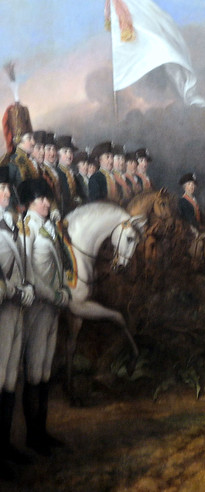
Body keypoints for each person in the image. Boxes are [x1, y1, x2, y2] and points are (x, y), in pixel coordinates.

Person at [18, 178, 69, 456]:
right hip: (37, 308)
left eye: (48, 198)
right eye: (41, 199)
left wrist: (63, 291)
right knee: (34, 372)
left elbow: (58, 267)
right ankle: (32, 437)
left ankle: (43, 432)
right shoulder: (28, 229)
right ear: (29, 202)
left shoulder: (48, 227)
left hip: (52, 308)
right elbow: (30, 274)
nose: (47, 203)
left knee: (46, 371)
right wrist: (54, 295)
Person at [0, 167, 34, 478]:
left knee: (10, 381)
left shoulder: (10, 226)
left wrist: (26, 288)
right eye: (2, 189)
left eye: (8, 189)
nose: (7, 194)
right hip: (1, 313)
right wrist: (16, 290)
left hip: (15, 313)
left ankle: (5, 447)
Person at [55, 135, 78, 216]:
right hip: (63, 213)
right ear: (57, 155)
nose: (69, 155)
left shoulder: (73, 174)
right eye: (65, 152)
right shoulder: (57, 173)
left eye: (70, 152)